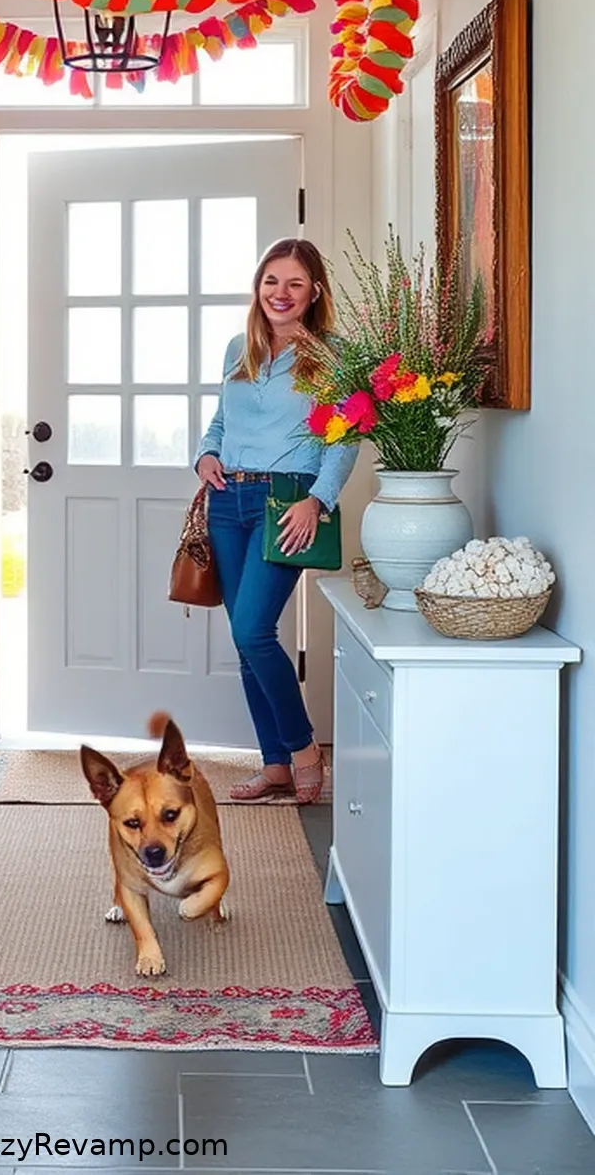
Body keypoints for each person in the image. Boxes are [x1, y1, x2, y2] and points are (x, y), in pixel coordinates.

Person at [194, 238, 358, 804]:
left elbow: (344, 438)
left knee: (252, 631)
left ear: (315, 291)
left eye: (294, 283)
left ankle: (304, 748)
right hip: (228, 499)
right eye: (271, 281)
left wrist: (319, 500)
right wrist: (205, 454)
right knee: (247, 642)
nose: (280, 294)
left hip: (286, 503)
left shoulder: (334, 354)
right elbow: (220, 420)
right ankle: (276, 766)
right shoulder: (239, 348)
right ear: (258, 287)